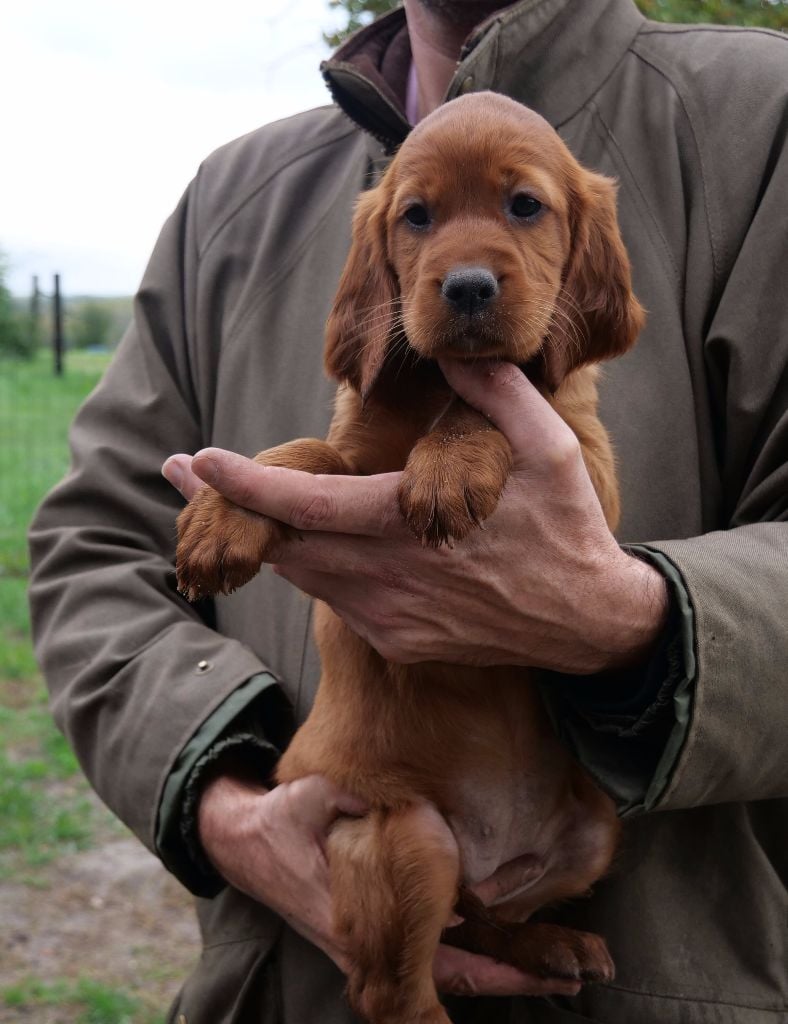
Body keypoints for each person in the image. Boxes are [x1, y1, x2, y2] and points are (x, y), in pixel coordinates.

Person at [28, 0, 788, 1021]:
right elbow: (93, 550)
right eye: (418, 217)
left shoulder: (760, 122)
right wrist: (227, 805)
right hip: (302, 962)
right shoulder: (230, 199)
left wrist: (632, 621)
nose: (466, 265)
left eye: (523, 208)